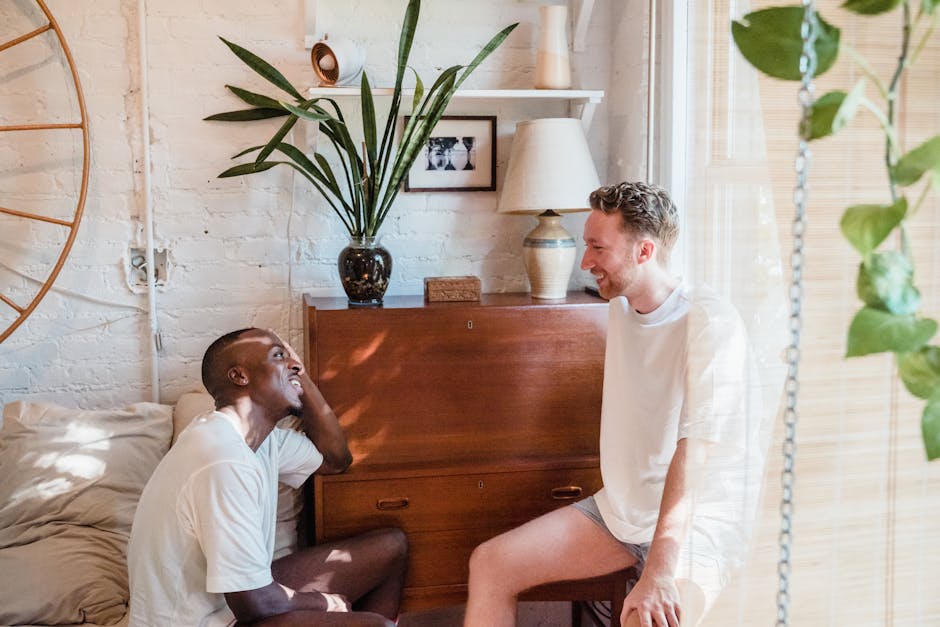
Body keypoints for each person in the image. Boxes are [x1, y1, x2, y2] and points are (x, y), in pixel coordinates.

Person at [464, 182, 763, 627]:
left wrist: (659, 573)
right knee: (491, 564)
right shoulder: (621, 304)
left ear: (644, 252)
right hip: (620, 516)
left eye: (598, 248)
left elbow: (695, 455)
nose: (585, 262)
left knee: (646, 619)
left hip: (699, 527)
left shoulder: (710, 323)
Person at [128, 328, 407, 627]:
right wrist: (325, 603)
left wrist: (299, 378)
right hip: (201, 620)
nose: (294, 365)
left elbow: (335, 460)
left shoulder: (258, 438)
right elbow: (255, 605)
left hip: (227, 603)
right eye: (278, 356)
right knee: (374, 626)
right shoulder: (222, 459)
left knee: (391, 548)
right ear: (239, 376)